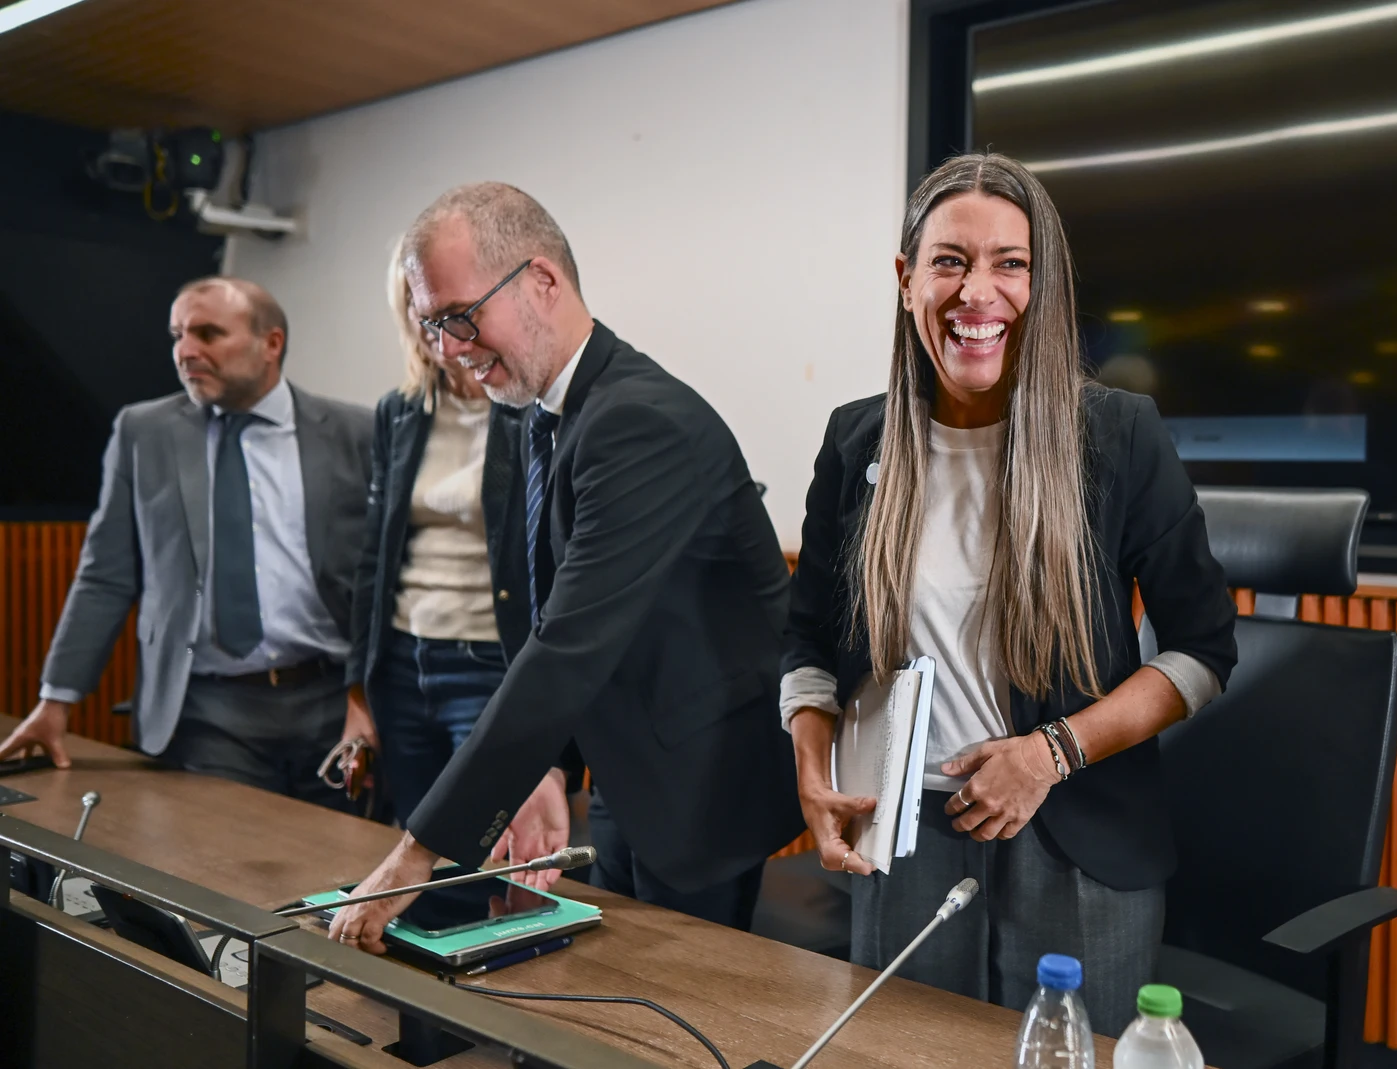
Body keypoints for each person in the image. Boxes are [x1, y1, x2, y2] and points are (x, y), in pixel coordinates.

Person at [780, 153, 1237, 1035]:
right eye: (949, 261)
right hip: (902, 835)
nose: (977, 292)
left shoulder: (1118, 435)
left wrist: (1050, 752)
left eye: (1010, 264)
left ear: (1042, 283)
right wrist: (812, 770)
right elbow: (808, 645)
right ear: (907, 278)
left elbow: (1202, 651)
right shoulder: (854, 441)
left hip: (1077, 840)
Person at [327, 183, 802, 943]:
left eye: (460, 317)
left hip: (700, 784)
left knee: (673, 1003)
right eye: (433, 325)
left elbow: (568, 645)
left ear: (542, 281)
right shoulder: (544, 410)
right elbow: (549, 611)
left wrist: (414, 855)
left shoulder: (637, 420)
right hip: (626, 769)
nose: (448, 349)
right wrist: (547, 768)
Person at [0, 277, 375, 807]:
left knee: (339, 857)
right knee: (223, 853)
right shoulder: (144, 432)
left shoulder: (356, 432)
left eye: (208, 333)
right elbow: (105, 575)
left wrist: (371, 699)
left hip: (333, 702)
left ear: (271, 343)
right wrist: (55, 699)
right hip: (207, 709)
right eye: (178, 335)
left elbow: (382, 576)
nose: (185, 351)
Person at [346, 246, 528, 825]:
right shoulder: (398, 411)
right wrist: (357, 692)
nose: (432, 324)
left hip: (489, 661)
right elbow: (374, 558)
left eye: (445, 309)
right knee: (412, 835)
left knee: (481, 836)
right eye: (416, 308)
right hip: (401, 661)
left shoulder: (527, 409)